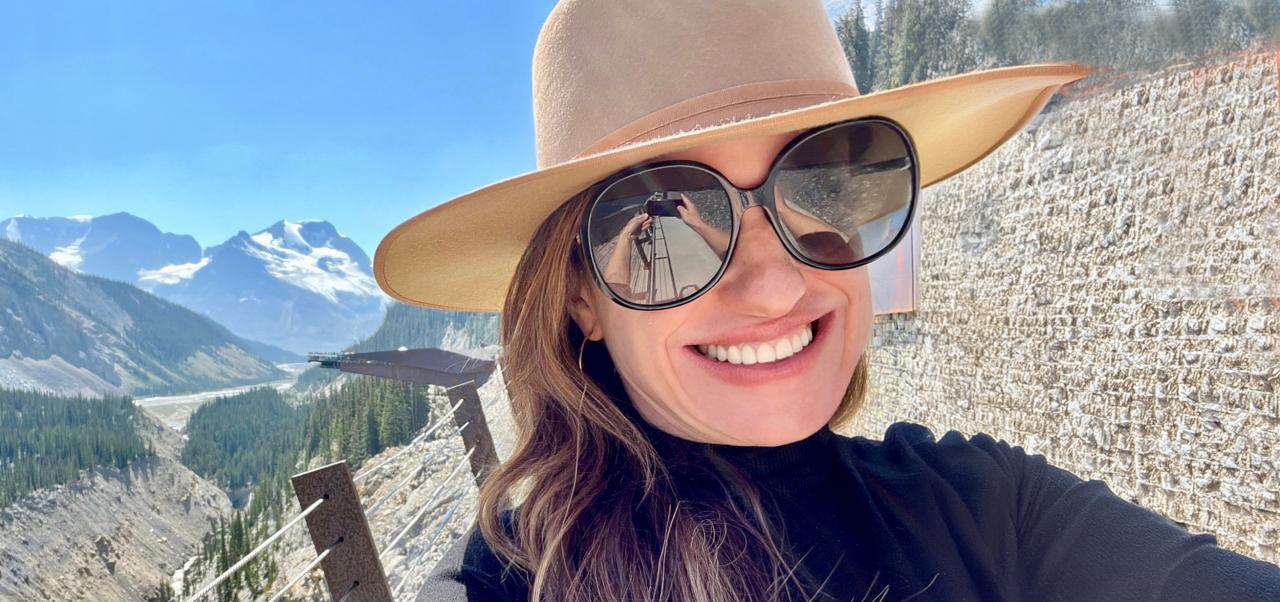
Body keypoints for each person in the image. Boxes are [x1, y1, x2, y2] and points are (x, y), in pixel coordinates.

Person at [372, 1, 1280, 600]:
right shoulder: (511, 579)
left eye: (824, 183)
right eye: (663, 228)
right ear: (579, 296)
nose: (773, 281)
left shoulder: (991, 508)